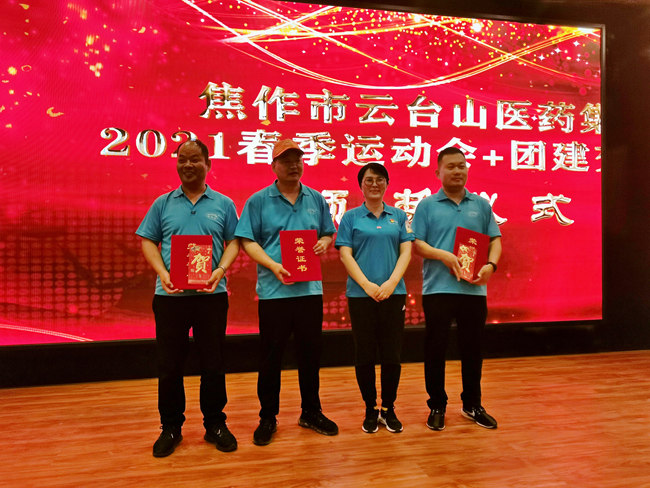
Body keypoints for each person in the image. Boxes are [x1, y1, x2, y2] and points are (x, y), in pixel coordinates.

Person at [136, 138, 240, 457]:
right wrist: (163, 273)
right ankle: (170, 427)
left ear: (208, 164)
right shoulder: (163, 203)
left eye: (195, 159)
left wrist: (220, 270)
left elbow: (235, 242)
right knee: (170, 365)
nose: (187, 165)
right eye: (182, 159)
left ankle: (215, 424)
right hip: (170, 297)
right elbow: (148, 240)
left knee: (213, 363)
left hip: (211, 296)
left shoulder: (224, 204)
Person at [235, 139, 338, 446]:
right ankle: (268, 417)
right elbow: (247, 240)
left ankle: (311, 411)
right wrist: (272, 265)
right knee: (271, 357)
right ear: (274, 166)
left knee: (310, 355)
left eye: (298, 160)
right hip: (274, 292)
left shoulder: (316, 198)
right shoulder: (258, 201)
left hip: (309, 291)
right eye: (286, 161)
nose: (294, 165)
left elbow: (328, 232)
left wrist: (323, 243)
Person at [412, 146, 502, 431]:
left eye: (461, 165)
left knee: (472, 349)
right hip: (438, 289)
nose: (457, 171)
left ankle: (472, 404)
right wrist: (444, 255)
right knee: (435, 349)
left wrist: (491, 265)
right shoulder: (427, 205)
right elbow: (417, 244)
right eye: (450, 166)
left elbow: (495, 239)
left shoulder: (481, 204)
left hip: (473, 290)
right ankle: (437, 405)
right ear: (438, 172)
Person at [335, 163, 413, 434]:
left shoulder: (399, 216)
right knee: (365, 353)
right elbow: (345, 254)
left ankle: (388, 408)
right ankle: (370, 408)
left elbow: (406, 252)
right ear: (361, 185)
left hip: (394, 294)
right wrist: (367, 285)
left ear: (387, 184)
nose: (374, 184)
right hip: (361, 295)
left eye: (380, 179)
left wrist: (391, 283)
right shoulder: (350, 218)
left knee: (392, 353)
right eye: (369, 180)